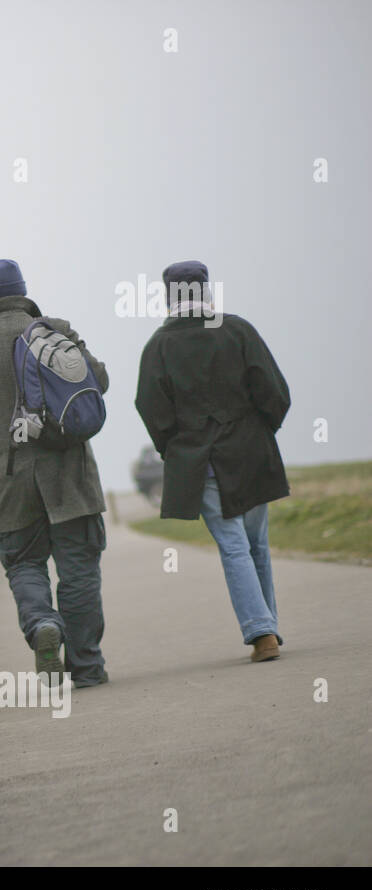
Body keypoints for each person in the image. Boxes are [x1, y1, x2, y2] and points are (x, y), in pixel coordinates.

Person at [0, 259, 110, 687]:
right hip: (71, 474)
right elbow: (99, 381)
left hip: (11, 477)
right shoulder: (55, 330)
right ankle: (88, 666)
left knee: (24, 563)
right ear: (24, 290)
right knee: (78, 568)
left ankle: (42, 623)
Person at [136, 260, 291, 662]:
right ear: (206, 290)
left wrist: (178, 450)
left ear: (169, 295)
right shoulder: (238, 329)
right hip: (250, 453)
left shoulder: (158, 346)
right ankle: (266, 626)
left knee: (234, 546)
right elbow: (274, 391)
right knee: (256, 543)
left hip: (200, 460)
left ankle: (262, 632)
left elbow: (151, 410)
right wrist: (259, 432)